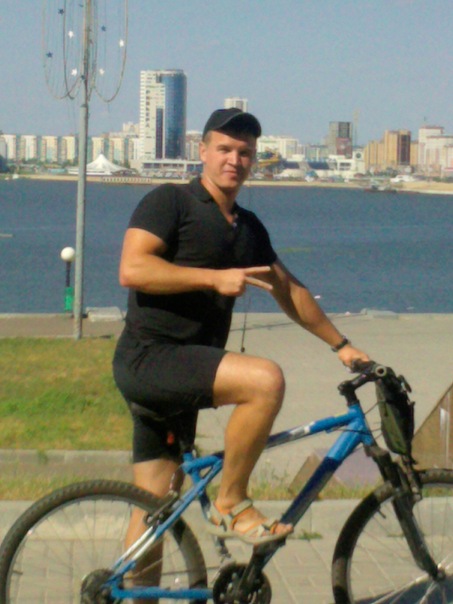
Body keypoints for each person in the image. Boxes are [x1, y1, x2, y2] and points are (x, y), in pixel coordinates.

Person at [113, 107, 369, 551]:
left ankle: (126, 587)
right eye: (225, 149)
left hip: (186, 368)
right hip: (151, 358)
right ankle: (231, 502)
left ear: (254, 160)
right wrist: (213, 279)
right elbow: (133, 269)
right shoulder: (170, 201)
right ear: (203, 151)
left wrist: (342, 346)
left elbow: (289, 290)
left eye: (245, 152)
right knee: (264, 381)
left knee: (156, 506)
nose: (234, 159)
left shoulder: (246, 227)